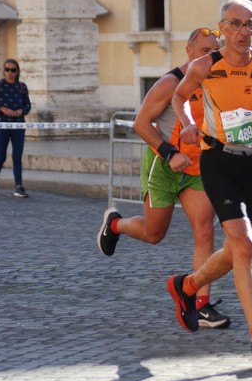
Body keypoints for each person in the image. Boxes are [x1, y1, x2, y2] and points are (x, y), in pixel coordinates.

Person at [168, 0, 252, 368]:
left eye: (250, 25)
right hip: (217, 161)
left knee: (236, 250)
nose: (243, 32)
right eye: (236, 24)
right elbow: (179, 97)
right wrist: (190, 124)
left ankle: (188, 286)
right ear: (223, 27)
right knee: (244, 244)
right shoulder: (205, 65)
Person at [97, 28, 231, 329]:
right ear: (189, 51)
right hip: (163, 165)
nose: (210, 55)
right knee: (154, 234)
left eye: (214, 50)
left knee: (205, 231)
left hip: (197, 169)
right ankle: (115, 224)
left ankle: (201, 304)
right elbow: (141, 124)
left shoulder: (218, 81)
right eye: (204, 50)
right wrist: (171, 154)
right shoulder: (169, 83)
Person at [0, 58, 31, 197]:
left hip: (18, 126)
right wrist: (2, 109)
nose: (10, 72)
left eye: (13, 70)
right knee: (1, 157)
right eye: (7, 69)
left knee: (17, 156)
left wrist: (22, 111)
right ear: (4, 71)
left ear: (17, 71)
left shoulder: (22, 86)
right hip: (1, 125)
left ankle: (19, 186)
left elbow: (27, 105)